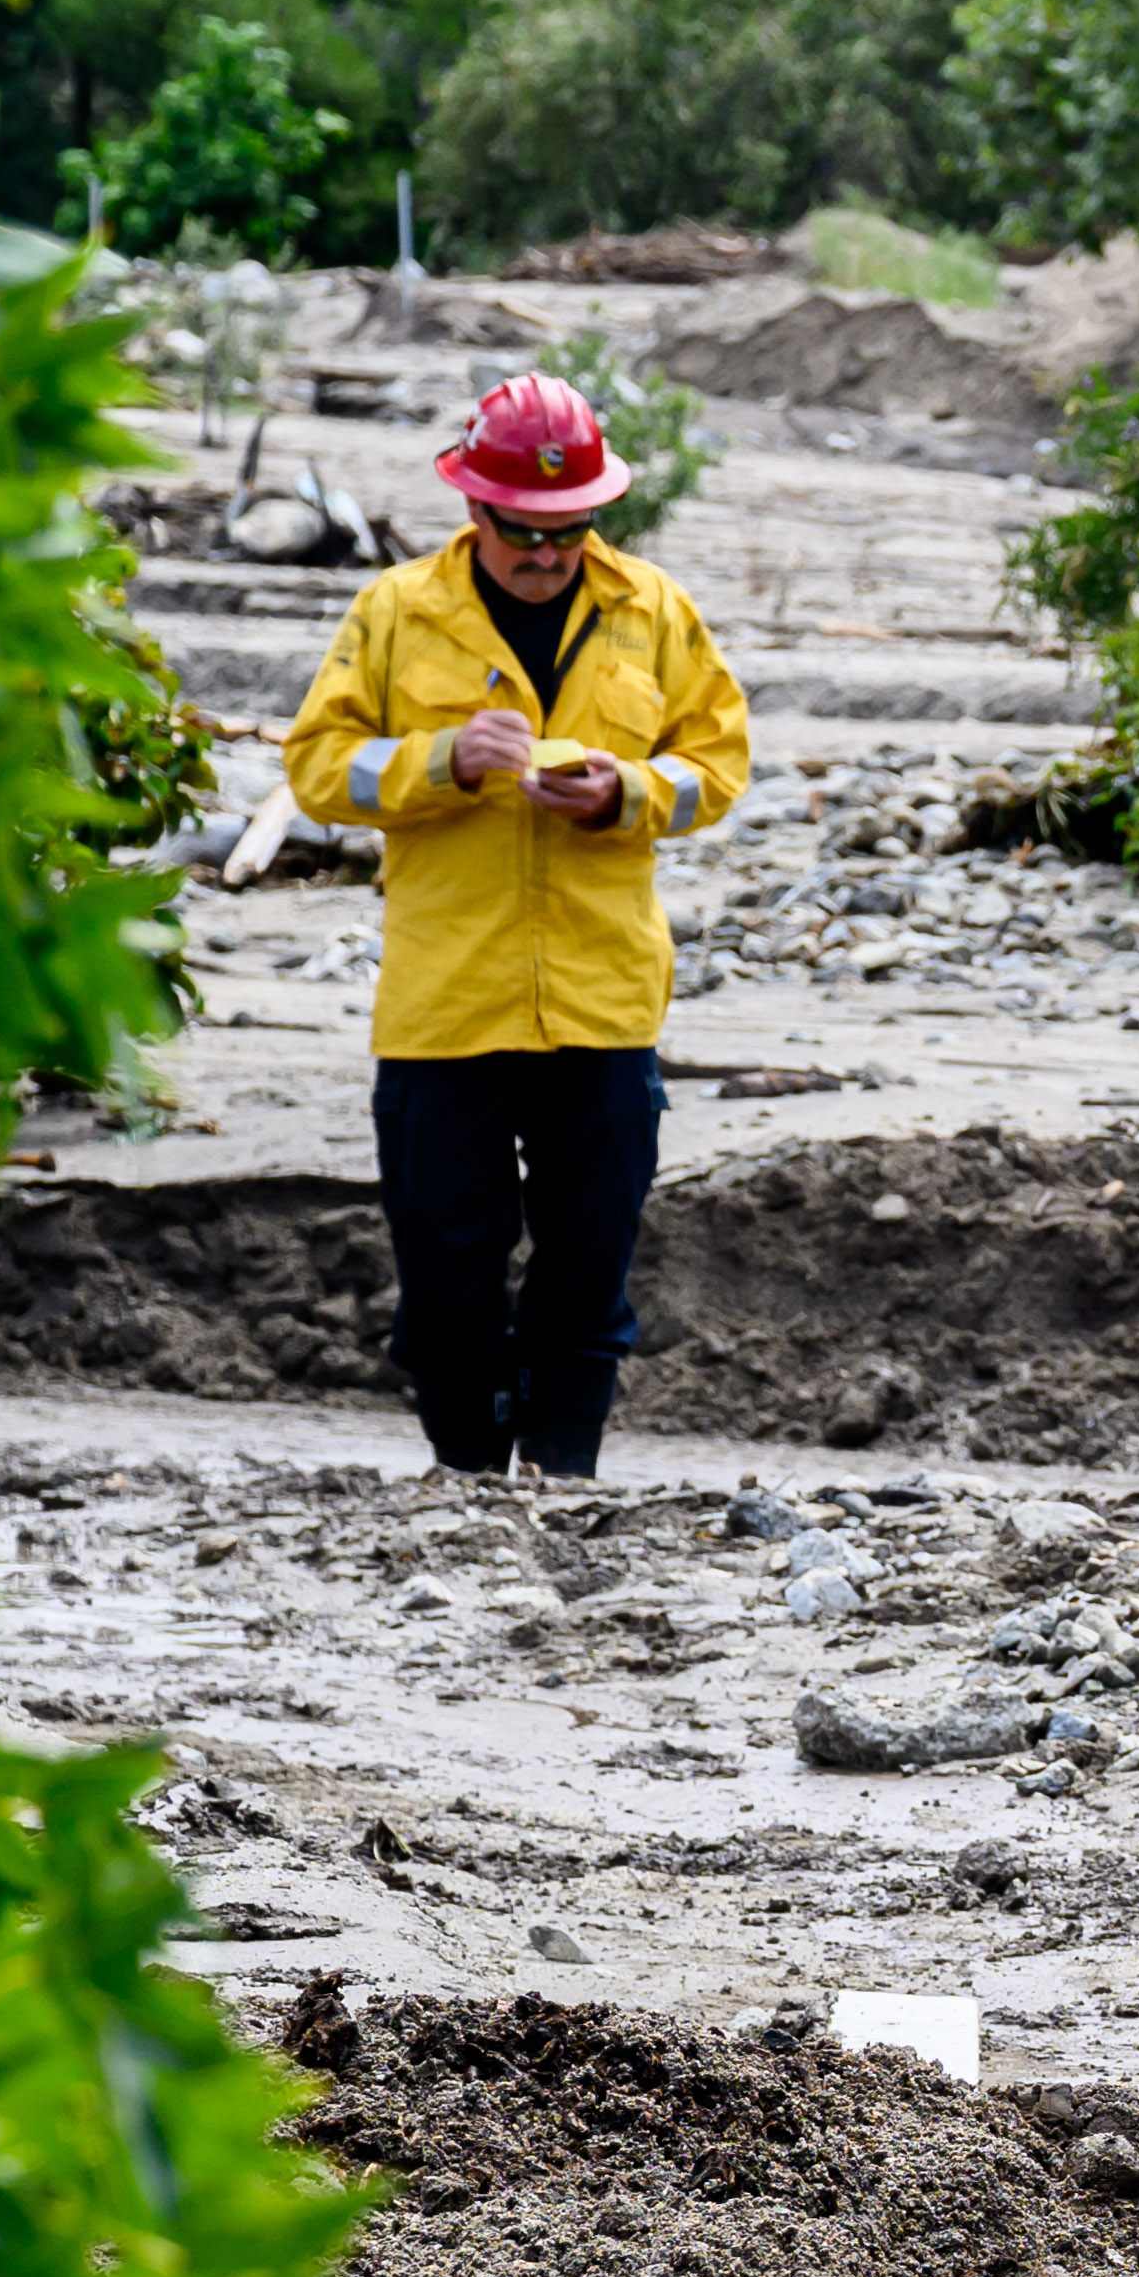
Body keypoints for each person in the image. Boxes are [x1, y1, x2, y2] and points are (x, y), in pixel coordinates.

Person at [277, 372, 753, 1479]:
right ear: (472, 507)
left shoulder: (654, 611)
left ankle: (564, 1474)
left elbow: (716, 764)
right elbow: (314, 766)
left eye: (570, 529)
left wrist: (625, 792)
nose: (548, 552)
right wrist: (439, 761)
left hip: (601, 997)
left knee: (590, 1262)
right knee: (446, 1263)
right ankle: (468, 1472)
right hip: (449, 1001)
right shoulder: (396, 612)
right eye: (523, 532)